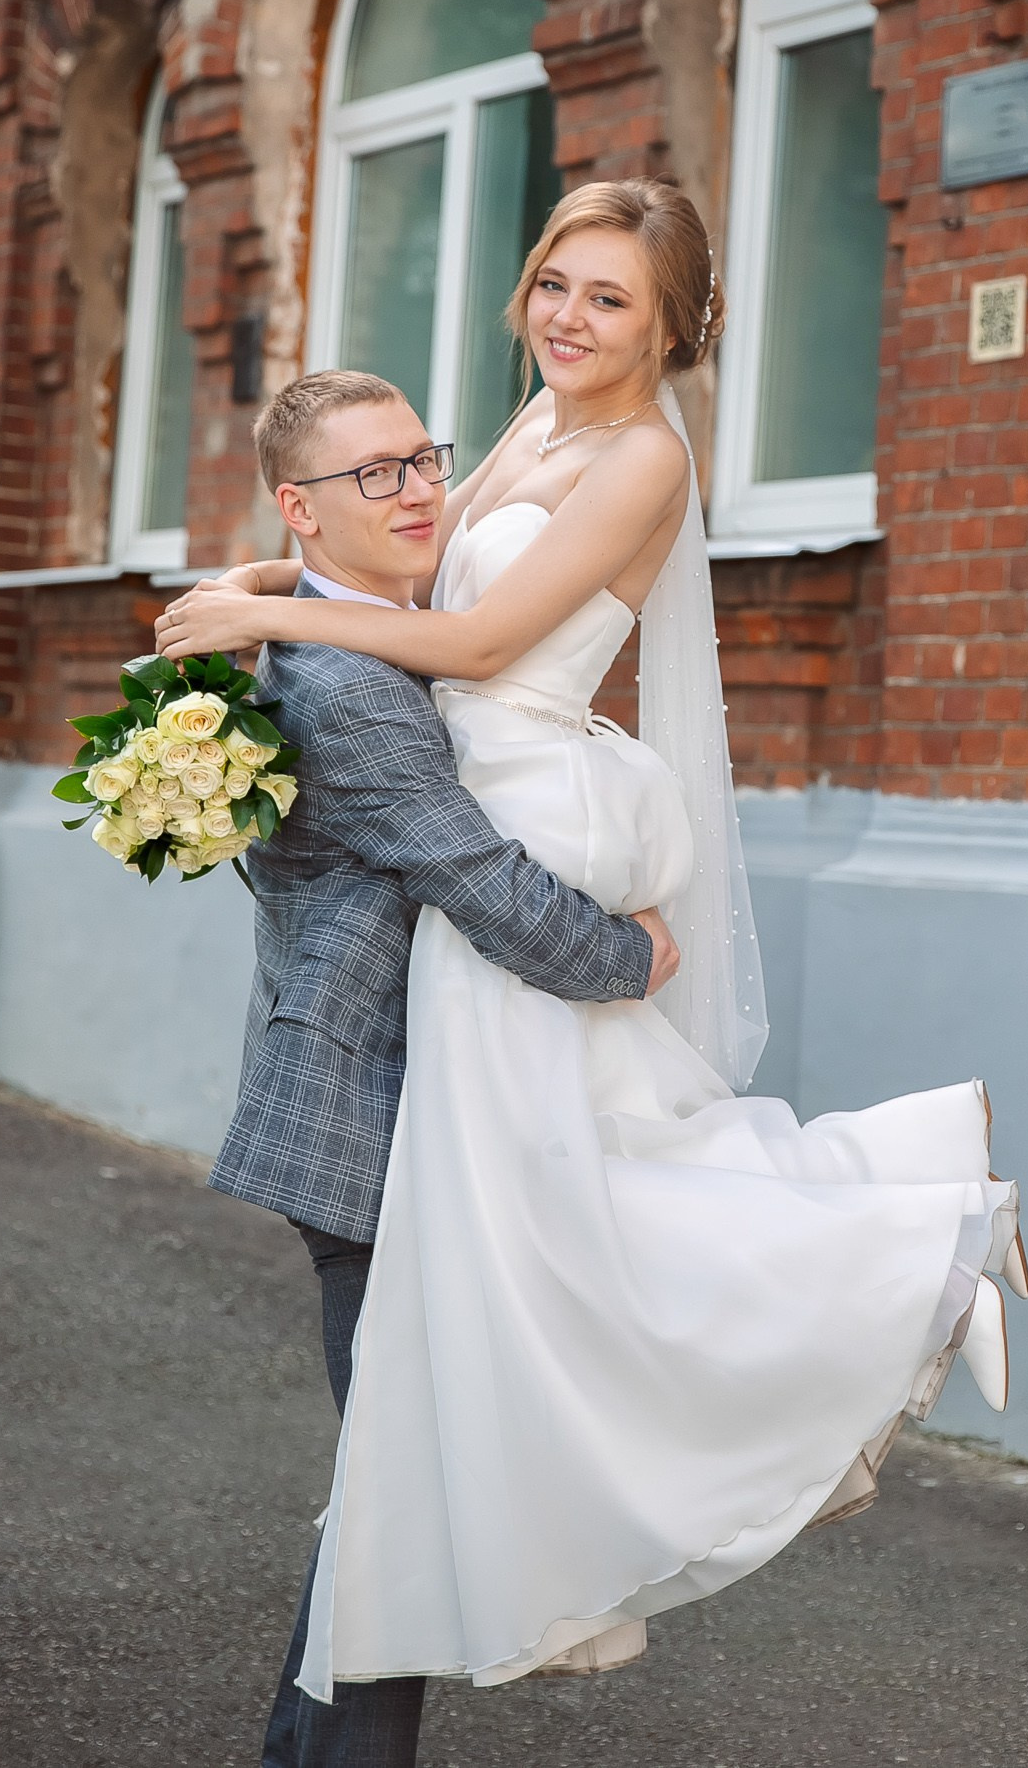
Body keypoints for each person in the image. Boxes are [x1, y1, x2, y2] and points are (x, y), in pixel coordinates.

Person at [160, 178, 1028, 1715]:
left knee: (531, 1220)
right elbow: (415, 571)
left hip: (522, 801)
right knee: (558, 1212)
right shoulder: (533, 424)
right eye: (556, 283)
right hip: (474, 779)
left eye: (610, 298)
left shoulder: (640, 459)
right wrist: (265, 581)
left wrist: (275, 625)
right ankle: (524, 1521)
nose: (569, 317)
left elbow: (482, 644)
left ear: (673, 323)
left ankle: (908, 1241)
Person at [202, 361, 678, 1768]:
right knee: (404, 1514)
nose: (419, 494)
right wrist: (636, 955)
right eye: (376, 475)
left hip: (418, 1103)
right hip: (372, 1120)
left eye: (424, 461)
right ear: (302, 509)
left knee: (386, 1501)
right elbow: (476, 881)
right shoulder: (351, 682)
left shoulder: (358, 626)